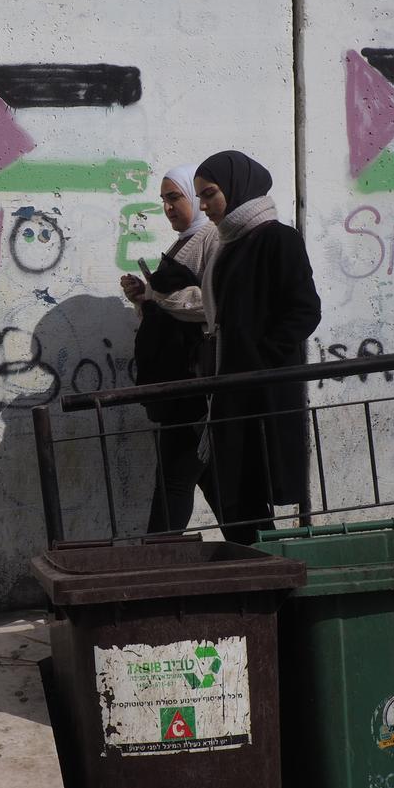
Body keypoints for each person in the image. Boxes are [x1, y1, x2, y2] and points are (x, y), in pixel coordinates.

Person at [192, 150, 321, 543]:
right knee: (236, 492)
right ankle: (259, 572)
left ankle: (268, 577)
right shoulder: (228, 244)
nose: (204, 205)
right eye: (200, 196)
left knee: (248, 490)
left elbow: (304, 310)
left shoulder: (277, 238)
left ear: (236, 188)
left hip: (260, 392)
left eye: (210, 193)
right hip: (231, 389)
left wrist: (259, 357)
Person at [119, 165, 221, 533]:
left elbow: (211, 304)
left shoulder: (211, 239)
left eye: (175, 197)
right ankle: (263, 552)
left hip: (193, 383)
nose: (168, 207)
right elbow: (172, 305)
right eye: (164, 200)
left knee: (174, 482)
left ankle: (154, 568)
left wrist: (160, 295)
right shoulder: (184, 242)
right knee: (212, 481)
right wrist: (144, 297)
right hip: (179, 381)